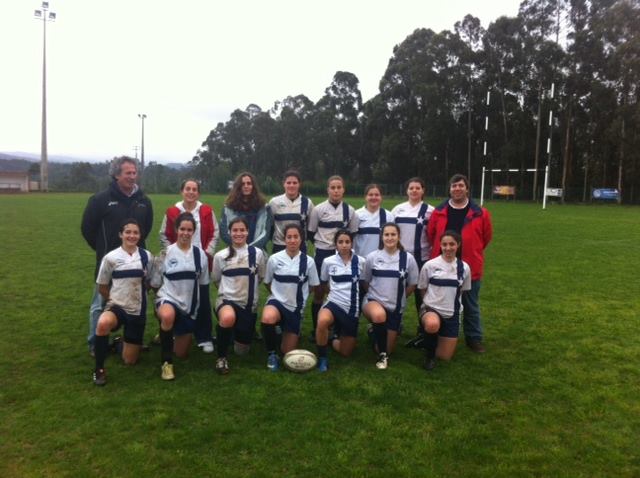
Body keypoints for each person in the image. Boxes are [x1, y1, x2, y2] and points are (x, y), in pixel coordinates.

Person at [81, 156, 153, 355]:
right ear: (116, 175)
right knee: (100, 304)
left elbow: (145, 229)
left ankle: (131, 340)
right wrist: (104, 251)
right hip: (109, 264)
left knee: (134, 304)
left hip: (135, 265)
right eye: (127, 173)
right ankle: (96, 343)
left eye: (134, 173)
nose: (132, 177)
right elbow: (88, 229)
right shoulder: (100, 200)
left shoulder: (144, 201)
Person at [427, 173, 493, 353]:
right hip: (442, 265)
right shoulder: (439, 211)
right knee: (439, 301)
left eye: (460, 186)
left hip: (469, 265)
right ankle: (435, 334)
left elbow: (486, 238)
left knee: (470, 303)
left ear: (467, 189)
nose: (457, 189)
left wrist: (472, 250)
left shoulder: (480, 213)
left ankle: (474, 338)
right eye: (454, 186)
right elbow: (432, 234)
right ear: (449, 189)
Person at [159, 179, 219, 353]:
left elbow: (215, 232)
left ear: (198, 193)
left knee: (203, 299)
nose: (191, 192)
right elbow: (163, 234)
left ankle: (204, 336)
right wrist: (174, 252)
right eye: (187, 189)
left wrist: (207, 252)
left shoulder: (207, 210)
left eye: (194, 189)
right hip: (178, 263)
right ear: (182, 191)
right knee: (174, 297)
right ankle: (170, 330)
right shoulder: (172, 211)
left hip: (200, 260)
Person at [92, 219, 153, 386]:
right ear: (121, 234)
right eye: (128, 232)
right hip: (117, 307)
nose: (132, 235)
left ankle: (120, 343)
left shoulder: (146, 256)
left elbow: (149, 282)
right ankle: (99, 369)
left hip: (137, 310)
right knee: (103, 323)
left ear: (140, 236)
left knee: (130, 361)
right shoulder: (110, 257)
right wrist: (112, 300)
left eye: (136, 232)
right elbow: (102, 286)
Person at [151, 212, 210, 380]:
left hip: (189, 307)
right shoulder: (166, 253)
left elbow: (204, 286)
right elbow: (155, 284)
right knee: (168, 315)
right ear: (176, 230)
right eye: (182, 229)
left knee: (181, 353)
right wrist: (161, 306)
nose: (185, 233)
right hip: (168, 299)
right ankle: (166, 364)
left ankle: (169, 331)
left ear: (194, 231)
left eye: (189, 230)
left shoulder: (201, 255)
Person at [261, 224, 320, 372]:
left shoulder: (309, 262)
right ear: (284, 239)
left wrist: (299, 297)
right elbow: (267, 282)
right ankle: (271, 354)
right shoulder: (274, 259)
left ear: (301, 239)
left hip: (295, 308)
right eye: (289, 237)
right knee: (268, 318)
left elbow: (313, 286)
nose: (292, 240)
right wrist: (277, 294)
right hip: (277, 302)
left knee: (287, 352)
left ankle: (285, 329)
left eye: (296, 237)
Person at [211, 218, 267, 374]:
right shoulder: (220, 256)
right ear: (229, 233)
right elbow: (216, 280)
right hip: (226, 301)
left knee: (241, 351)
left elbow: (260, 276)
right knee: (228, 317)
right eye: (235, 230)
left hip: (248, 306)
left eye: (242, 230)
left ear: (248, 232)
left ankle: (227, 332)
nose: (239, 233)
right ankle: (221, 358)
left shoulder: (257, 253)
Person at [307, 175, 358, 341]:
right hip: (322, 253)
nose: (336, 191)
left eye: (339, 187)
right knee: (319, 292)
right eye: (333, 187)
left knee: (338, 291)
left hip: (341, 254)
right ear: (328, 190)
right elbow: (311, 233)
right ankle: (318, 330)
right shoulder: (318, 210)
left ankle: (336, 329)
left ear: (343, 189)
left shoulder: (350, 211)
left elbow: (352, 234)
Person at [362, 223, 419, 370]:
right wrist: (375, 298)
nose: (390, 237)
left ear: (399, 236)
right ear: (382, 237)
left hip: (395, 308)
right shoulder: (372, 257)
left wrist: (400, 298)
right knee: (379, 315)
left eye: (393, 234)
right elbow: (366, 282)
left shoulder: (408, 259)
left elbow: (412, 284)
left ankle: (374, 331)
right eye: (386, 234)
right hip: (373, 302)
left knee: (388, 348)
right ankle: (382, 356)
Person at [418, 231, 471, 371]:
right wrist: (430, 304)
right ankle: (429, 356)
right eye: (444, 244)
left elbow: (463, 291)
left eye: (452, 244)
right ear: (440, 245)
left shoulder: (464, 267)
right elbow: (422, 288)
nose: (448, 248)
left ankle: (425, 340)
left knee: (444, 357)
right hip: (431, 309)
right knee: (432, 323)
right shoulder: (430, 265)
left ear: (458, 245)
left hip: (451, 313)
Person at [316, 230, 365, 372]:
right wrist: (332, 294)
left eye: (347, 242)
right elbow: (324, 282)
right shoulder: (328, 261)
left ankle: (332, 339)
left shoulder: (361, 261)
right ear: (335, 245)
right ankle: (322, 358)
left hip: (351, 308)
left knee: (346, 352)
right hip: (333, 303)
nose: (344, 245)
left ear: (351, 243)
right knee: (322, 321)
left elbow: (363, 284)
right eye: (340, 242)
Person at [391, 177, 434, 323]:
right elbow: (390, 232)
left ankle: (424, 329)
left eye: (418, 188)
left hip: (421, 259)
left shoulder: (430, 210)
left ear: (423, 190)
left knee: (421, 295)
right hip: (399, 259)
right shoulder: (398, 209)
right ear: (407, 190)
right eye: (411, 188)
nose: (414, 190)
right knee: (396, 293)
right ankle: (395, 324)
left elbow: (434, 234)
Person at [219, 172, 272, 251]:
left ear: (253, 186)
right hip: (234, 252)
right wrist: (239, 247)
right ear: (238, 187)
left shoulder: (264, 208)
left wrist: (250, 249)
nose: (246, 186)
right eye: (243, 184)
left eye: (249, 183)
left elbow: (266, 233)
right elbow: (224, 232)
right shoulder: (228, 207)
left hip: (257, 252)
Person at [269, 170, 314, 254]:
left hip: (300, 246)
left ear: (299, 184)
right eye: (288, 183)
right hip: (280, 245)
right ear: (284, 184)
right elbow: (270, 226)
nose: (291, 185)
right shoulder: (274, 202)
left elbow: (310, 227)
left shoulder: (307, 203)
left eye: (294, 183)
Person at [355, 184, 395, 258]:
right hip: (361, 259)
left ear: (381, 197)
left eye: (377, 195)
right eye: (370, 195)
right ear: (365, 197)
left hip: (382, 260)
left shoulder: (389, 216)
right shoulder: (356, 215)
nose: (374, 197)